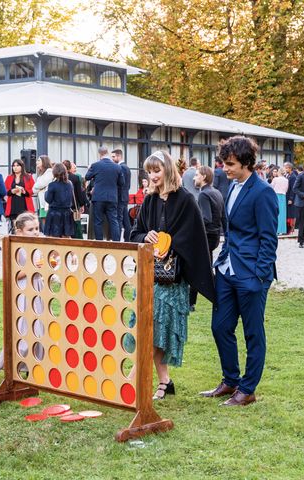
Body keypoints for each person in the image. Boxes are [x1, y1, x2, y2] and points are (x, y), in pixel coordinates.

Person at [130, 150, 214, 400]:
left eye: (157, 171)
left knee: (158, 331)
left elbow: (196, 239)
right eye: (149, 172)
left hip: (172, 280)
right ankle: (164, 381)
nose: (153, 176)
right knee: (148, 330)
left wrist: (169, 243)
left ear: (168, 170)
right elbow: (135, 233)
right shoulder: (149, 201)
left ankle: (132, 379)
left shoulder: (186, 199)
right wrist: (146, 236)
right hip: (148, 277)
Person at [200, 136, 278, 407]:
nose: (224, 169)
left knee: (253, 333)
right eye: (223, 163)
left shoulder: (263, 191)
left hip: (251, 275)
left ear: (247, 163)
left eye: (230, 164)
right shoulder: (231, 186)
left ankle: (247, 389)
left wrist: (259, 275)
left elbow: (269, 238)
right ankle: (230, 379)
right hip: (226, 269)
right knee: (220, 327)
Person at [0, 212, 42, 371]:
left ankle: (36, 361)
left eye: (36, 228)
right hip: (23, 291)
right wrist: (33, 267)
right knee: (23, 326)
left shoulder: (37, 245)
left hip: (37, 289)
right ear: (19, 231)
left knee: (38, 325)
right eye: (30, 229)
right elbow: (14, 273)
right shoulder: (16, 248)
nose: (35, 231)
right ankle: (17, 361)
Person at [190, 165, 225, 310]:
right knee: (204, 268)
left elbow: (206, 218)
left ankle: (191, 302)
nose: (194, 177)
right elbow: (222, 217)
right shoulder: (216, 192)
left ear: (204, 177)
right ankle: (217, 298)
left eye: (197, 175)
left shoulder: (204, 194)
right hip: (214, 236)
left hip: (206, 236)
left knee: (196, 268)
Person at [85, 146, 124, 241]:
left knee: (98, 221)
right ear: (108, 153)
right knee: (113, 221)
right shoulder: (117, 167)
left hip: (98, 197)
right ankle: (116, 243)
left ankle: (99, 243)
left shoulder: (96, 165)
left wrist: (91, 170)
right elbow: (122, 183)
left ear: (99, 154)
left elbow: (87, 177)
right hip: (112, 198)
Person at [4, 159, 34, 233]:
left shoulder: (28, 177)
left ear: (22, 166)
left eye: (17, 165)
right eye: (14, 166)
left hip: (24, 205)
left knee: (25, 226)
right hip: (13, 206)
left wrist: (25, 191)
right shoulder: (9, 177)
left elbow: (33, 190)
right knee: (15, 228)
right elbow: (4, 190)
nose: (15, 167)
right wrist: (11, 191)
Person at [44, 163, 73, 237]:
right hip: (67, 213)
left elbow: (48, 200)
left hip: (54, 213)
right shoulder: (70, 184)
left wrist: (46, 192)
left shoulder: (52, 185)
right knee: (66, 237)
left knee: (53, 238)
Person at [62, 160, 88, 239]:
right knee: (76, 226)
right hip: (73, 206)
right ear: (70, 167)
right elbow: (79, 193)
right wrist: (82, 204)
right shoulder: (75, 178)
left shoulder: (59, 178)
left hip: (62, 207)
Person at [112, 148, 132, 241]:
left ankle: (118, 241)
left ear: (119, 156)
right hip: (124, 196)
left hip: (120, 197)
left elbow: (121, 183)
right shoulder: (126, 167)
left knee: (119, 219)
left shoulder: (122, 167)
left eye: (113, 156)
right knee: (126, 221)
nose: (112, 159)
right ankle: (127, 239)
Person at [32, 155, 54, 231]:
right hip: (42, 203)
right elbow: (34, 190)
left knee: (48, 224)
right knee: (44, 223)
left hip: (47, 203)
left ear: (44, 162)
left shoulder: (50, 172)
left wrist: (38, 186)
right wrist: (38, 187)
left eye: (39, 160)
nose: (36, 162)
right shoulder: (41, 175)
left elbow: (39, 184)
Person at [270, 167, 288, 235]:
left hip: (276, 195)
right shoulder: (286, 180)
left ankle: (276, 229)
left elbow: (271, 187)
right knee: (282, 213)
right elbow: (286, 189)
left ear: (279, 172)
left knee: (275, 213)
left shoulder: (275, 179)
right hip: (283, 196)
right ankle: (282, 230)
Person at [283, 162, 298, 235]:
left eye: (286, 167)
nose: (285, 169)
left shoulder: (293, 177)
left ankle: (290, 229)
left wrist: (291, 199)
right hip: (287, 196)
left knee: (291, 213)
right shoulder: (288, 175)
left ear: (289, 168)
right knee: (288, 213)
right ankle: (288, 228)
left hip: (290, 197)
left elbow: (293, 189)